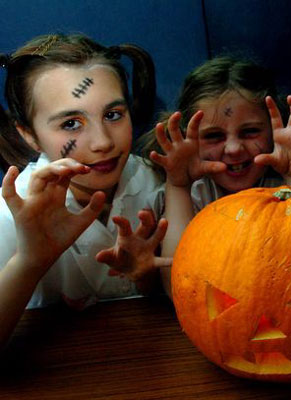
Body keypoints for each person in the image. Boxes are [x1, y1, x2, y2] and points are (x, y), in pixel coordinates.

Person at [0, 34, 168, 348]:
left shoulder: (156, 184)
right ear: (29, 136)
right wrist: (29, 261)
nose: (103, 141)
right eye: (71, 124)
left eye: (113, 115)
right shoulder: (10, 214)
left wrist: (147, 279)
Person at [137, 57, 291, 295]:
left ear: (273, 130)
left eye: (250, 131)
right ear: (190, 139)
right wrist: (178, 185)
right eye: (214, 136)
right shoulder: (183, 197)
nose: (234, 149)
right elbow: (179, 289)